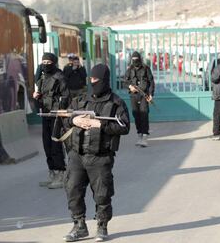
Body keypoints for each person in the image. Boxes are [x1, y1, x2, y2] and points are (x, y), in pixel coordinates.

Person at [63, 64, 130, 242]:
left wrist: (100, 124)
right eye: (91, 79)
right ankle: (79, 226)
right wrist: (74, 119)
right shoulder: (80, 100)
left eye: (96, 80)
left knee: (102, 193)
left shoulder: (116, 103)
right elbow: (65, 119)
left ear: (104, 80)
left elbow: (124, 127)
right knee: (72, 189)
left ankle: (102, 225)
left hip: (100, 155)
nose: (93, 83)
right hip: (77, 154)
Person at [33, 52, 70, 189]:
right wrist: (37, 96)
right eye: (44, 62)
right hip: (45, 114)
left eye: (48, 63)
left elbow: (66, 96)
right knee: (46, 145)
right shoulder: (42, 77)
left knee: (55, 145)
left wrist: (60, 110)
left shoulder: (59, 77)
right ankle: (52, 173)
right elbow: (41, 93)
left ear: (53, 63)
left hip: (56, 115)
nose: (46, 65)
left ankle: (61, 174)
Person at [125, 51, 155, 147]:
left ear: (140, 59)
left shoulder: (146, 69)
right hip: (134, 95)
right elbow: (125, 81)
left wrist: (150, 94)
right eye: (133, 60)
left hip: (144, 95)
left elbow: (151, 82)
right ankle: (139, 135)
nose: (135, 61)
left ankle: (145, 137)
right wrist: (130, 86)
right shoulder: (129, 69)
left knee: (144, 114)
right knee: (136, 115)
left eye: (136, 59)